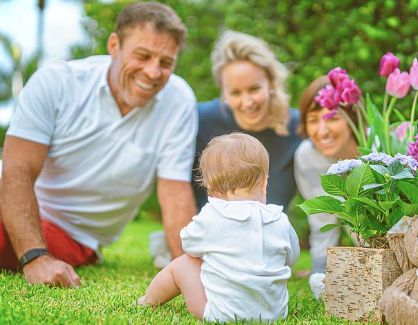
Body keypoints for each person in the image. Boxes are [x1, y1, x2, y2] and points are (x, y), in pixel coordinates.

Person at [0, 1, 197, 287]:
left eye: (166, 63)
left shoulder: (179, 100)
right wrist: (35, 258)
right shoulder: (57, 81)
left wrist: (191, 269)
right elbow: (17, 170)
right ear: (114, 45)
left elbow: (174, 191)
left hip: (67, 231)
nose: (153, 72)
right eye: (142, 56)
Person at [139, 133, 300, 322]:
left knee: (183, 264)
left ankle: (147, 300)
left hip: (221, 316)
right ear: (264, 183)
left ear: (209, 188)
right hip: (275, 316)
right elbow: (291, 258)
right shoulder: (279, 219)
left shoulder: (211, 216)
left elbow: (189, 246)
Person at [193, 30, 301, 211]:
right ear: (224, 94)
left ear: (271, 83)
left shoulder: (299, 128)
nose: (247, 102)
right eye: (235, 93)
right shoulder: (199, 120)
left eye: (254, 89)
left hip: (268, 235)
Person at [294, 75, 360, 299]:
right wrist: (320, 269)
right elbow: (322, 216)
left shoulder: (380, 146)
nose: (322, 131)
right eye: (313, 120)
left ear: (351, 116)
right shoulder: (307, 155)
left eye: (332, 118)